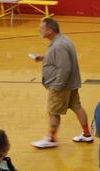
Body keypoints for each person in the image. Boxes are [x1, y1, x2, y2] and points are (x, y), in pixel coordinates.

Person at [31, 17, 92, 148]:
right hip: (70, 83)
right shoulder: (63, 40)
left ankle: (51, 139)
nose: (39, 30)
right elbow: (60, 60)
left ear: (49, 30)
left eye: (41, 28)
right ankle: (87, 134)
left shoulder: (58, 45)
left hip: (61, 86)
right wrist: (43, 58)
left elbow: (65, 68)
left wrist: (57, 86)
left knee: (53, 111)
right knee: (76, 106)